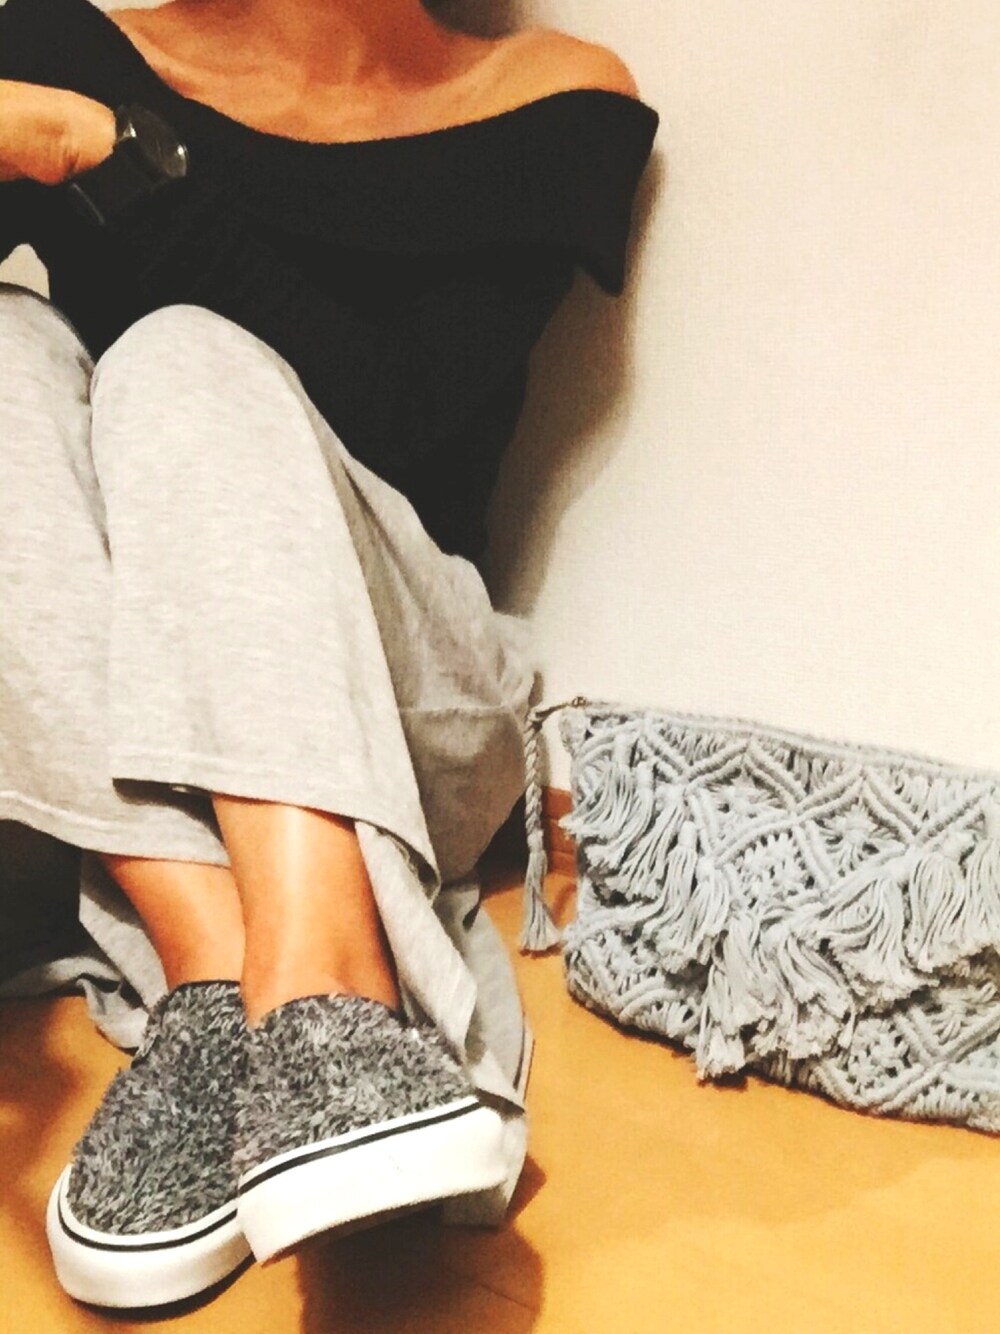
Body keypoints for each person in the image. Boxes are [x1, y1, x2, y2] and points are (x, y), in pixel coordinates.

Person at [0, 0, 659, 1310]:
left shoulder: (554, 96)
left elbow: (401, 416)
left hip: (402, 679)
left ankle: (328, 974)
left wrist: (114, 160)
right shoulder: (52, 45)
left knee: (180, 354)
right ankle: (223, 978)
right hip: (141, 699)